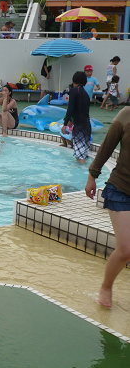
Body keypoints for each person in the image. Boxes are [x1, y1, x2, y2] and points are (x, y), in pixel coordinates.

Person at [85, 107, 130, 308]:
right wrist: (92, 175)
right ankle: (106, 286)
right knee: (126, 249)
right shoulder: (126, 115)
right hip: (121, 188)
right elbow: (107, 147)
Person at [61, 71, 91, 164]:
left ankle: (85, 175)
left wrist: (65, 124)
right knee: (83, 154)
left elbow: (70, 108)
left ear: (74, 81)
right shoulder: (86, 94)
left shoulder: (75, 91)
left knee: (80, 157)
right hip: (87, 126)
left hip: (79, 127)